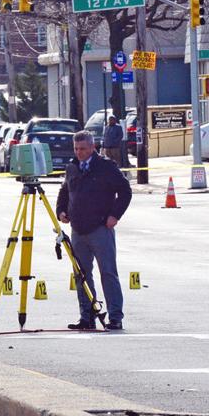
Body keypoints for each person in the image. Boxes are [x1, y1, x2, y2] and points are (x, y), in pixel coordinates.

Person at [56, 130, 132, 330]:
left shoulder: (106, 167)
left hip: (100, 229)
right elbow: (65, 191)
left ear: (92, 147)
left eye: (82, 149)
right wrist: (61, 211)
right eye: (76, 149)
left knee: (108, 273)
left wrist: (115, 215)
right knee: (81, 274)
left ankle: (115, 317)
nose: (79, 152)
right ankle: (87, 316)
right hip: (78, 230)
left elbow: (125, 190)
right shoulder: (72, 167)